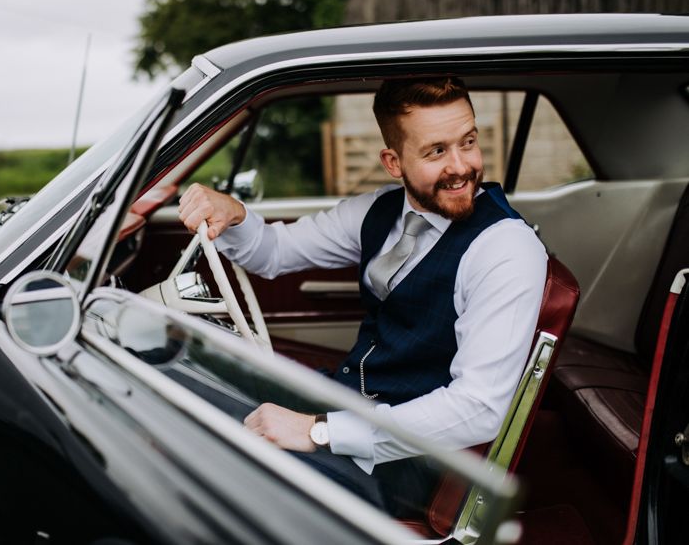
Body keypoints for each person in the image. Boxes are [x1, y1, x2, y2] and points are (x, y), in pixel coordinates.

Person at [178, 76, 547, 512]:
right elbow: (275, 253)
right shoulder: (378, 211)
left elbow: (480, 406)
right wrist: (235, 213)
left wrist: (318, 431)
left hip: (411, 463)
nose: (462, 166)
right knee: (184, 375)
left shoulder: (506, 248)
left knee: (222, 472)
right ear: (394, 162)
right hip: (347, 402)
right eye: (436, 151)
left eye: (468, 142)